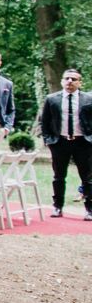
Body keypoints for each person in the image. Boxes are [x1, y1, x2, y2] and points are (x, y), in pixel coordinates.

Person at [39, 69, 92, 219]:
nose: (70, 81)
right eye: (67, 78)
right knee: (58, 176)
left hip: (83, 142)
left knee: (87, 178)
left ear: (80, 83)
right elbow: (45, 122)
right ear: (62, 81)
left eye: (74, 79)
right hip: (59, 142)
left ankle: (89, 209)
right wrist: (49, 140)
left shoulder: (88, 99)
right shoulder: (52, 99)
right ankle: (57, 207)